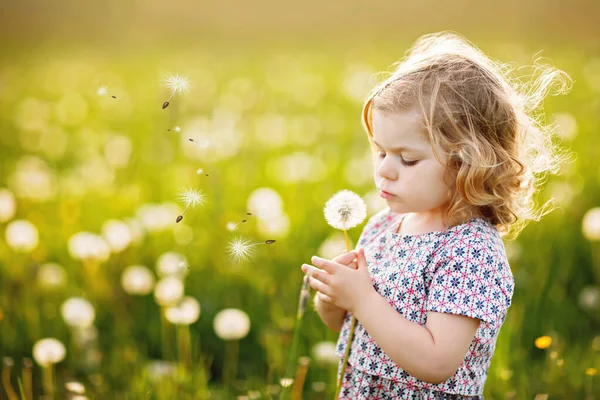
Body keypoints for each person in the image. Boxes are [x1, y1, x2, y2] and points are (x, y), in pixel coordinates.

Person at [301, 31, 570, 399]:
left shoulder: (470, 252)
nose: (385, 171)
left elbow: (437, 362)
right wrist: (334, 298)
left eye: (407, 159)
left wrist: (363, 298)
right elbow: (346, 325)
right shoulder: (383, 226)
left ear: (467, 164)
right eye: (380, 152)